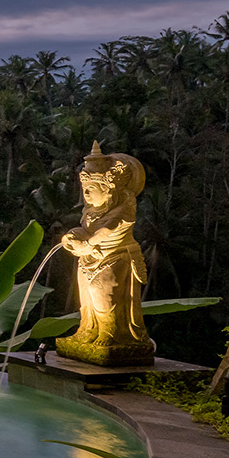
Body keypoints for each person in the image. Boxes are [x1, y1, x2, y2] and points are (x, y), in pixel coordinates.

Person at [56, 142, 154, 366]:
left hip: (115, 256)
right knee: (87, 300)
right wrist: (70, 237)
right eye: (85, 189)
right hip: (88, 259)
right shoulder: (90, 211)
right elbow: (83, 228)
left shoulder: (124, 208)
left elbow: (107, 229)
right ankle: (87, 329)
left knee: (104, 297)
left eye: (92, 188)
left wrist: (88, 243)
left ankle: (109, 333)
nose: (87, 193)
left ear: (109, 189)